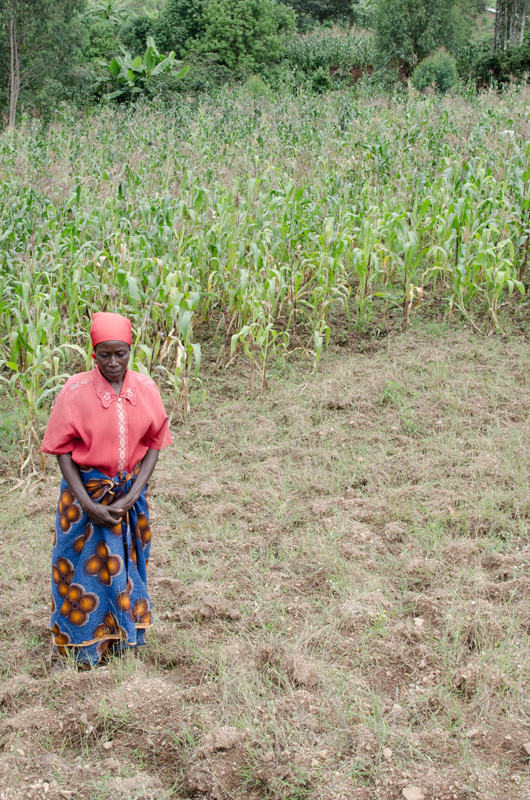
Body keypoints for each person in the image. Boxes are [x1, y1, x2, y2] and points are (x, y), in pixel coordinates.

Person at [41, 311, 172, 669]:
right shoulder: (75, 391)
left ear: (131, 350)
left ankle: (121, 640)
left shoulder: (145, 389)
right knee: (74, 571)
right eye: (104, 354)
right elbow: (63, 452)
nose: (113, 362)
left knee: (128, 566)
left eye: (121, 354)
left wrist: (131, 496)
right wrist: (89, 505)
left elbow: (155, 441)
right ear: (93, 352)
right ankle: (73, 646)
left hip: (129, 495)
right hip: (84, 496)